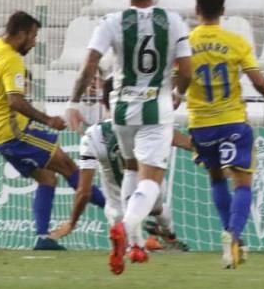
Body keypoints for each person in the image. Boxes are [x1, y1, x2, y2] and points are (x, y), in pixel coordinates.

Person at [66, 0, 193, 274]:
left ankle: (135, 244)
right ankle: (127, 225)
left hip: (122, 108)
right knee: (151, 181)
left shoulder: (112, 21)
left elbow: (89, 65)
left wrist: (73, 101)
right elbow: (187, 70)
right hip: (156, 108)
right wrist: (177, 95)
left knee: (131, 169)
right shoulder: (172, 21)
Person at [0, 11, 107, 250]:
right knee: (68, 166)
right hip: (15, 133)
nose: (34, 42)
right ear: (21, 34)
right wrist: (48, 119)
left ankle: (42, 237)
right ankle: (118, 210)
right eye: (33, 36)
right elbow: (15, 102)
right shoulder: (12, 60)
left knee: (46, 177)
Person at [184, 0, 264, 269]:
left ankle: (231, 236)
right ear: (223, 11)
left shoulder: (186, 42)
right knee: (242, 182)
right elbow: (257, 80)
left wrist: (177, 96)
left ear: (196, 10)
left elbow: (179, 78)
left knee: (216, 178)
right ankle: (234, 235)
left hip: (201, 124)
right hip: (232, 121)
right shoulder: (236, 41)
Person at [50, 87, 194, 265]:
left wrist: (71, 223)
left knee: (125, 245)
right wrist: (202, 151)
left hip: (117, 208)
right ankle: (169, 236)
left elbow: (84, 191)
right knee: (157, 206)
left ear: (104, 103)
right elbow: (181, 141)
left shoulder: (92, 135)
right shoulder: (146, 125)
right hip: (148, 193)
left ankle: (134, 245)